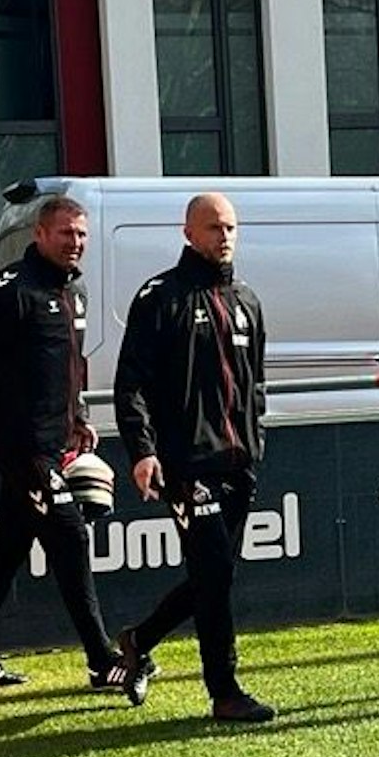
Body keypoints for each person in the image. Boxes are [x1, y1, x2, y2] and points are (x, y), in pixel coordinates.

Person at [0, 196, 134, 696]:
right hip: (19, 445)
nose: (75, 243)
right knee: (71, 537)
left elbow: (68, 365)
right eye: (65, 234)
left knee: (8, 548)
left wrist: (77, 418)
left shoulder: (75, 294)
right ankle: (102, 661)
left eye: (81, 235)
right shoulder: (11, 291)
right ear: (40, 235)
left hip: (54, 443)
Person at [113, 193, 274, 723]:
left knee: (215, 576)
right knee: (213, 573)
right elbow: (130, 382)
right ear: (188, 233)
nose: (223, 236)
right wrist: (143, 451)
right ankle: (224, 691)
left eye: (230, 227)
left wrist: (255, 441)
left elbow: (256, 385)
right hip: (187, 464)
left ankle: (139, 639)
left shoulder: (247, 298)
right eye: (212, 228)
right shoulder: (161, 296)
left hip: (237, 462)